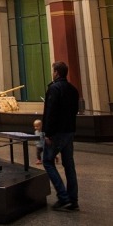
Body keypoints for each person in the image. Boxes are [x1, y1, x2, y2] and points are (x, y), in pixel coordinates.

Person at [42, 61, 80, 212]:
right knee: (69, 164)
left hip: (57, 132)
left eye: (53, 71)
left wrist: (48, 133)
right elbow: (75, 110)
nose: (53, 73)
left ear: (56, 72)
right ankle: (73, 199)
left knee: (47, 161)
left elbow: (50, 112)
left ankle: (63, 197)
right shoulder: (73, 89)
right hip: (69, 131)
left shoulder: (54, 88)